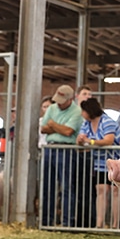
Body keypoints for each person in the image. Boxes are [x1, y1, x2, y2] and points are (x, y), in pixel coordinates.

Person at [40, 85, 83, 227]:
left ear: (70, 99)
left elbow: (69, 132)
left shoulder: (77, 112)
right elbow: (44, 128)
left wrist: (53, 125)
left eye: (62, 100)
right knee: (47, 186)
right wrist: (59, 127)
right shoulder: (52, 108)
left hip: (67, 150)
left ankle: (67, 222)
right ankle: (46, 221)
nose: (58, 103)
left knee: (66, 187)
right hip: (51, 148)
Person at [77, 98, 120, 229]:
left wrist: (90, 141)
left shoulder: (107, 121)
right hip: (100, 162)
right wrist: (80, 140)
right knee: (101, 190)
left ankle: (115, 224)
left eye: (83, 111)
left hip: (115, 160)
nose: (82, 114)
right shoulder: (86, 124)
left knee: (115, 190)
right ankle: (99, 223)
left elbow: (109, 140)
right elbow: (79, 139)